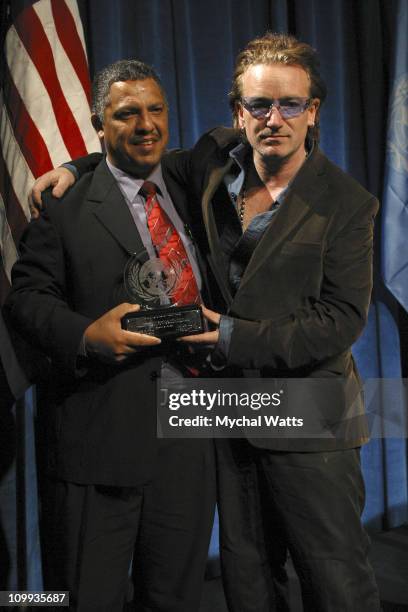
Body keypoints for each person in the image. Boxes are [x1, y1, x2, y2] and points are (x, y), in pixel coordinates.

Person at [30, 34, 381, 611]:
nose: (274, 118)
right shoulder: (212, 163)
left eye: (290, 104)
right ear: (237, 113)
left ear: (312, 111)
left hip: (309, 412)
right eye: (258, 105)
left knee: (335, 578)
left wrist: (228, 336)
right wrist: (73, 166)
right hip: (221, 413)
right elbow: (134, 154)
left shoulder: (348, 204)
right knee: (247, 574)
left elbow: (337, 323)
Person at [5, 59, 216, 612]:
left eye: (155, 110)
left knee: (176, 598)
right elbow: (26, 300)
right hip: (97, 443)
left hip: (190, 439)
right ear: (100, 125)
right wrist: (85, 336)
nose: (145, 124)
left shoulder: (193, 183)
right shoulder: (63, 206)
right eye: (127, 114)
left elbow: (231, 137)